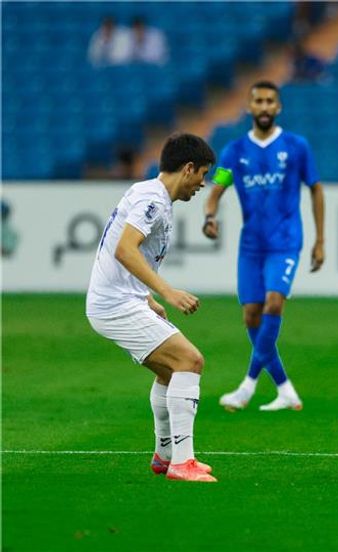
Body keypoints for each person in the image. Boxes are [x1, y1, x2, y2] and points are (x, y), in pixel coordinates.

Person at [86, 133, 217, 483]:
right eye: (203, 174)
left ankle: (165, 456)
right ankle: (182, 463)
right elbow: (125, 250)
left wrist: (147, 298)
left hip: (119, 299)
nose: (202, 183)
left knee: (170, 371)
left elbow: (123, 249)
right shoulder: (153, 201)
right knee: (190, 361)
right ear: (188, 168)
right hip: (114, 304)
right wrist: (168, 292)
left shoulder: (147, 193)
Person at [203, 81, 325, 412]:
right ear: (250, 106)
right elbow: (217, 189)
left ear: (279, 107)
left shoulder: (296, 147)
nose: (265, 106)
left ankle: (248, 385)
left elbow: (315, 188)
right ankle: (286, 389)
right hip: (251, 246)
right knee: (251, 314)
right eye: (259, 101)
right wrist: (210, 216)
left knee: (273, 304)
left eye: (271, 101)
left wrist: (320, 240)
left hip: (285, 241)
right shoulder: (234, 153)